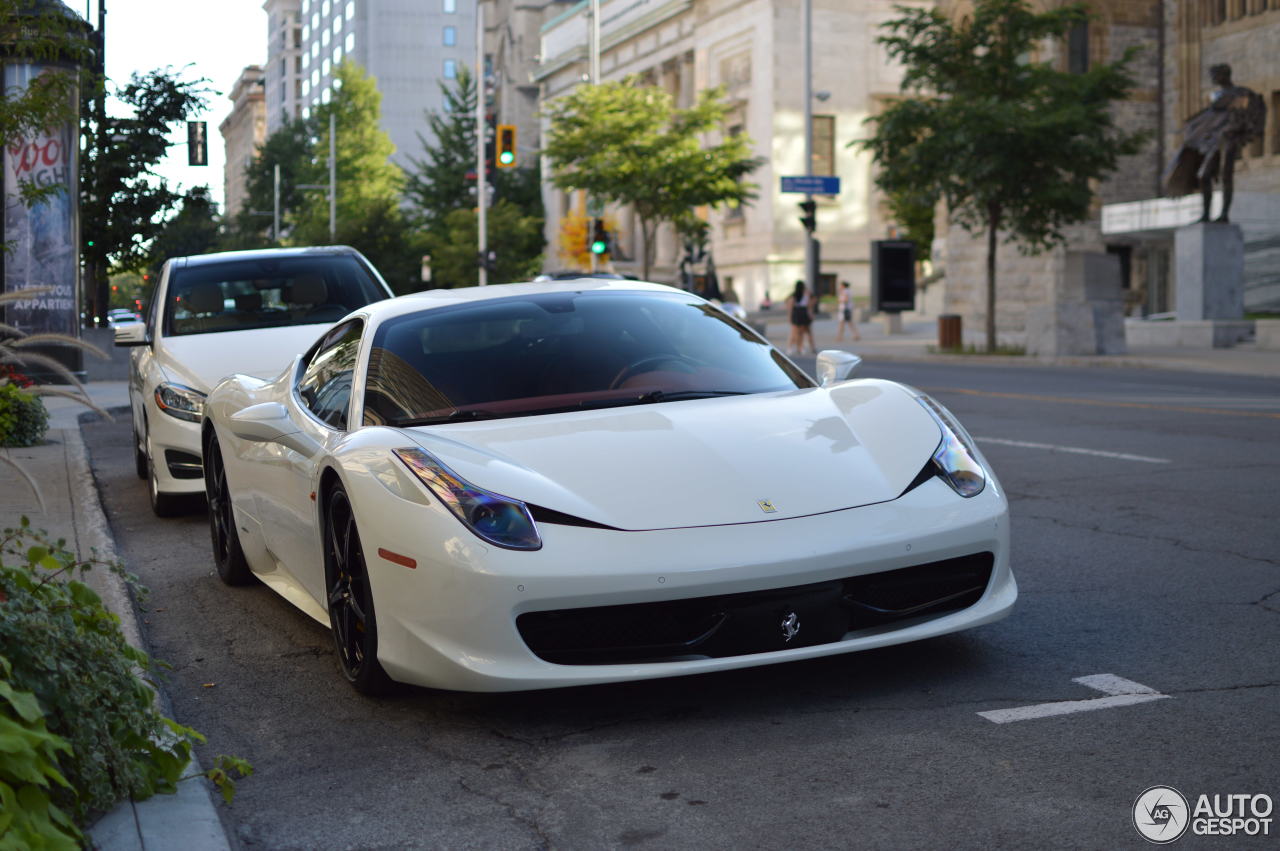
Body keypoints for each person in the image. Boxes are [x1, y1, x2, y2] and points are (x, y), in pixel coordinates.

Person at [1163, 63, 1266, 223]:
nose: (1213, 79)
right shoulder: (1215, 96)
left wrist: (1230, 129)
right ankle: (1206, 214)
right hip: (1211, 141)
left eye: (1215, 75)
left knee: (1226, 175)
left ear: (1224, 75)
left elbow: (1241, 117)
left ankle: (1224, 214)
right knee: (1203, 175)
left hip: (1228, 140)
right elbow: (1210, 119)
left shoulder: (1240, 94)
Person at [785, 280, 815, 355]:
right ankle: (791, 347)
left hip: (800, 313)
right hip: (799, 313)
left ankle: (799, 347)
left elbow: (808, 305)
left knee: (800, 333)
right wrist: (789, 317)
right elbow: (790, 307)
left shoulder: (803, 295)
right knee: (795, 332)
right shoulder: (795, 296)